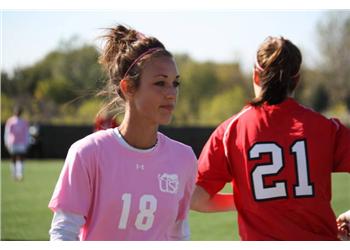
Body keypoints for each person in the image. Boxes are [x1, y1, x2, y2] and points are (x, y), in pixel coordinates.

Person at [190, 36, 350, 240]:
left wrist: (246, 200)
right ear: (297, 80)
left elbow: (196, 199)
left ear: (256, 76)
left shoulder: (231, 131)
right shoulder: (326, 128)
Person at [48, 24, 197, 241]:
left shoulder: (184, 158)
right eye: (160, 83)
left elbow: (179, 235)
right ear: (128, 87)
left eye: (175, 83)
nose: (171, 93)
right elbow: (63, 233)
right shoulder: (87, 153)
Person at [4, 105, 30, 181]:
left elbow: (26, 133)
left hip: (21, 143)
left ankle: (20, 174)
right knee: (13, 158)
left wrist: (27, 142)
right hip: (13, 142)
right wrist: (6, 141)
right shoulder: (10, 121)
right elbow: (7, 132)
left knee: (21, 158)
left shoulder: (24, 122)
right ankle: (13, 174)